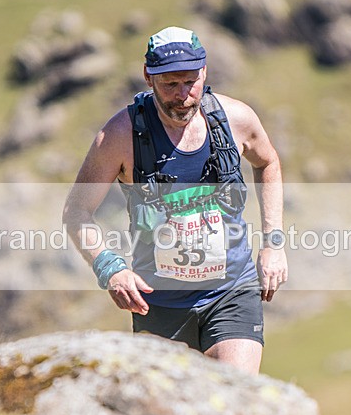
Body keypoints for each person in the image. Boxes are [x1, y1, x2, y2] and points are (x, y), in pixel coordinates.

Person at [64, 26, 287, 375]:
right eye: (170, 84)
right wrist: (109, 267)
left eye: (190, 82)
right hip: (160, 301)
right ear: (147, 77)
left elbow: (268, 162)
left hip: (231, 292)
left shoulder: (236, 120)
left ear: (204, 72)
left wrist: (273, 243)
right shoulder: (119, 137)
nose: (182, 95)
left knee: (235, 396)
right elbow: (76, 212)